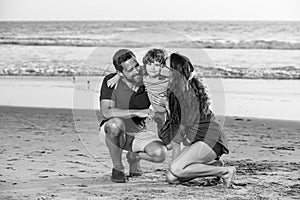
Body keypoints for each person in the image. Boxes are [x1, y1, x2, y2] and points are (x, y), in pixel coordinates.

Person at [159, 53, 236, 188]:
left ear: (174, 71)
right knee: (172, 177)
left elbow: (178, 135)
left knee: (176, 169)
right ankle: (215, 167)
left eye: (165, 66)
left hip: (211, 139)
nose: (161, 68)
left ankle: (225, 172)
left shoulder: (186, 94)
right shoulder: (178, 89)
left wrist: (167, 108)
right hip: (198, 140)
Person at [99, 49, 167, 183]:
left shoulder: (148, 80)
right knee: (115, 124)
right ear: (120, 73)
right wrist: (136, 112)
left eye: (137, 65)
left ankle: (134, 157)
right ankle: (118, 168)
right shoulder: (111, 82)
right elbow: (106, 111)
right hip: (113, 132)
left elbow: (166, 69)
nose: (136, 71)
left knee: (160, 154)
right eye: (130, 70)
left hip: (139, 132)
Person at [107, 48, 187, 159]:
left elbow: (182, 72)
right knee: (169, 145)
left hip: (169, 113)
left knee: (172, 144)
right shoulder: (141, 77)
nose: (152, 68)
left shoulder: (158, 75)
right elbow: (106, 111)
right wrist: (117, 77)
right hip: (155, 118)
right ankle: (126, 162)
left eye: (137, 66)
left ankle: (177, 164)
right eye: (149, 64)